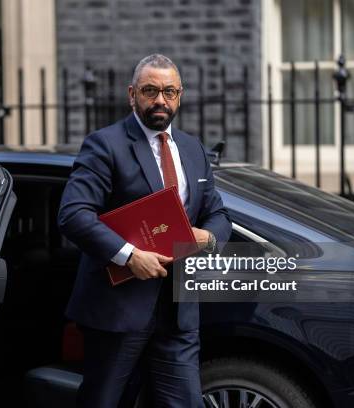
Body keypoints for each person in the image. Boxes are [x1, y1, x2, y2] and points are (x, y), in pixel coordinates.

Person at [58, 54, 232, 407]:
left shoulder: (193, 149)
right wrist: (129, 255)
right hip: (118, 309)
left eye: (169, 92)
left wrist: (208, 238)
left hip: (179, 310)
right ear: (132, 94)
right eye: (150, 91)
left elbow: (218, 214)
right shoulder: (105, 145)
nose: (160, 101)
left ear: (180, 96)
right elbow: (73, 214)